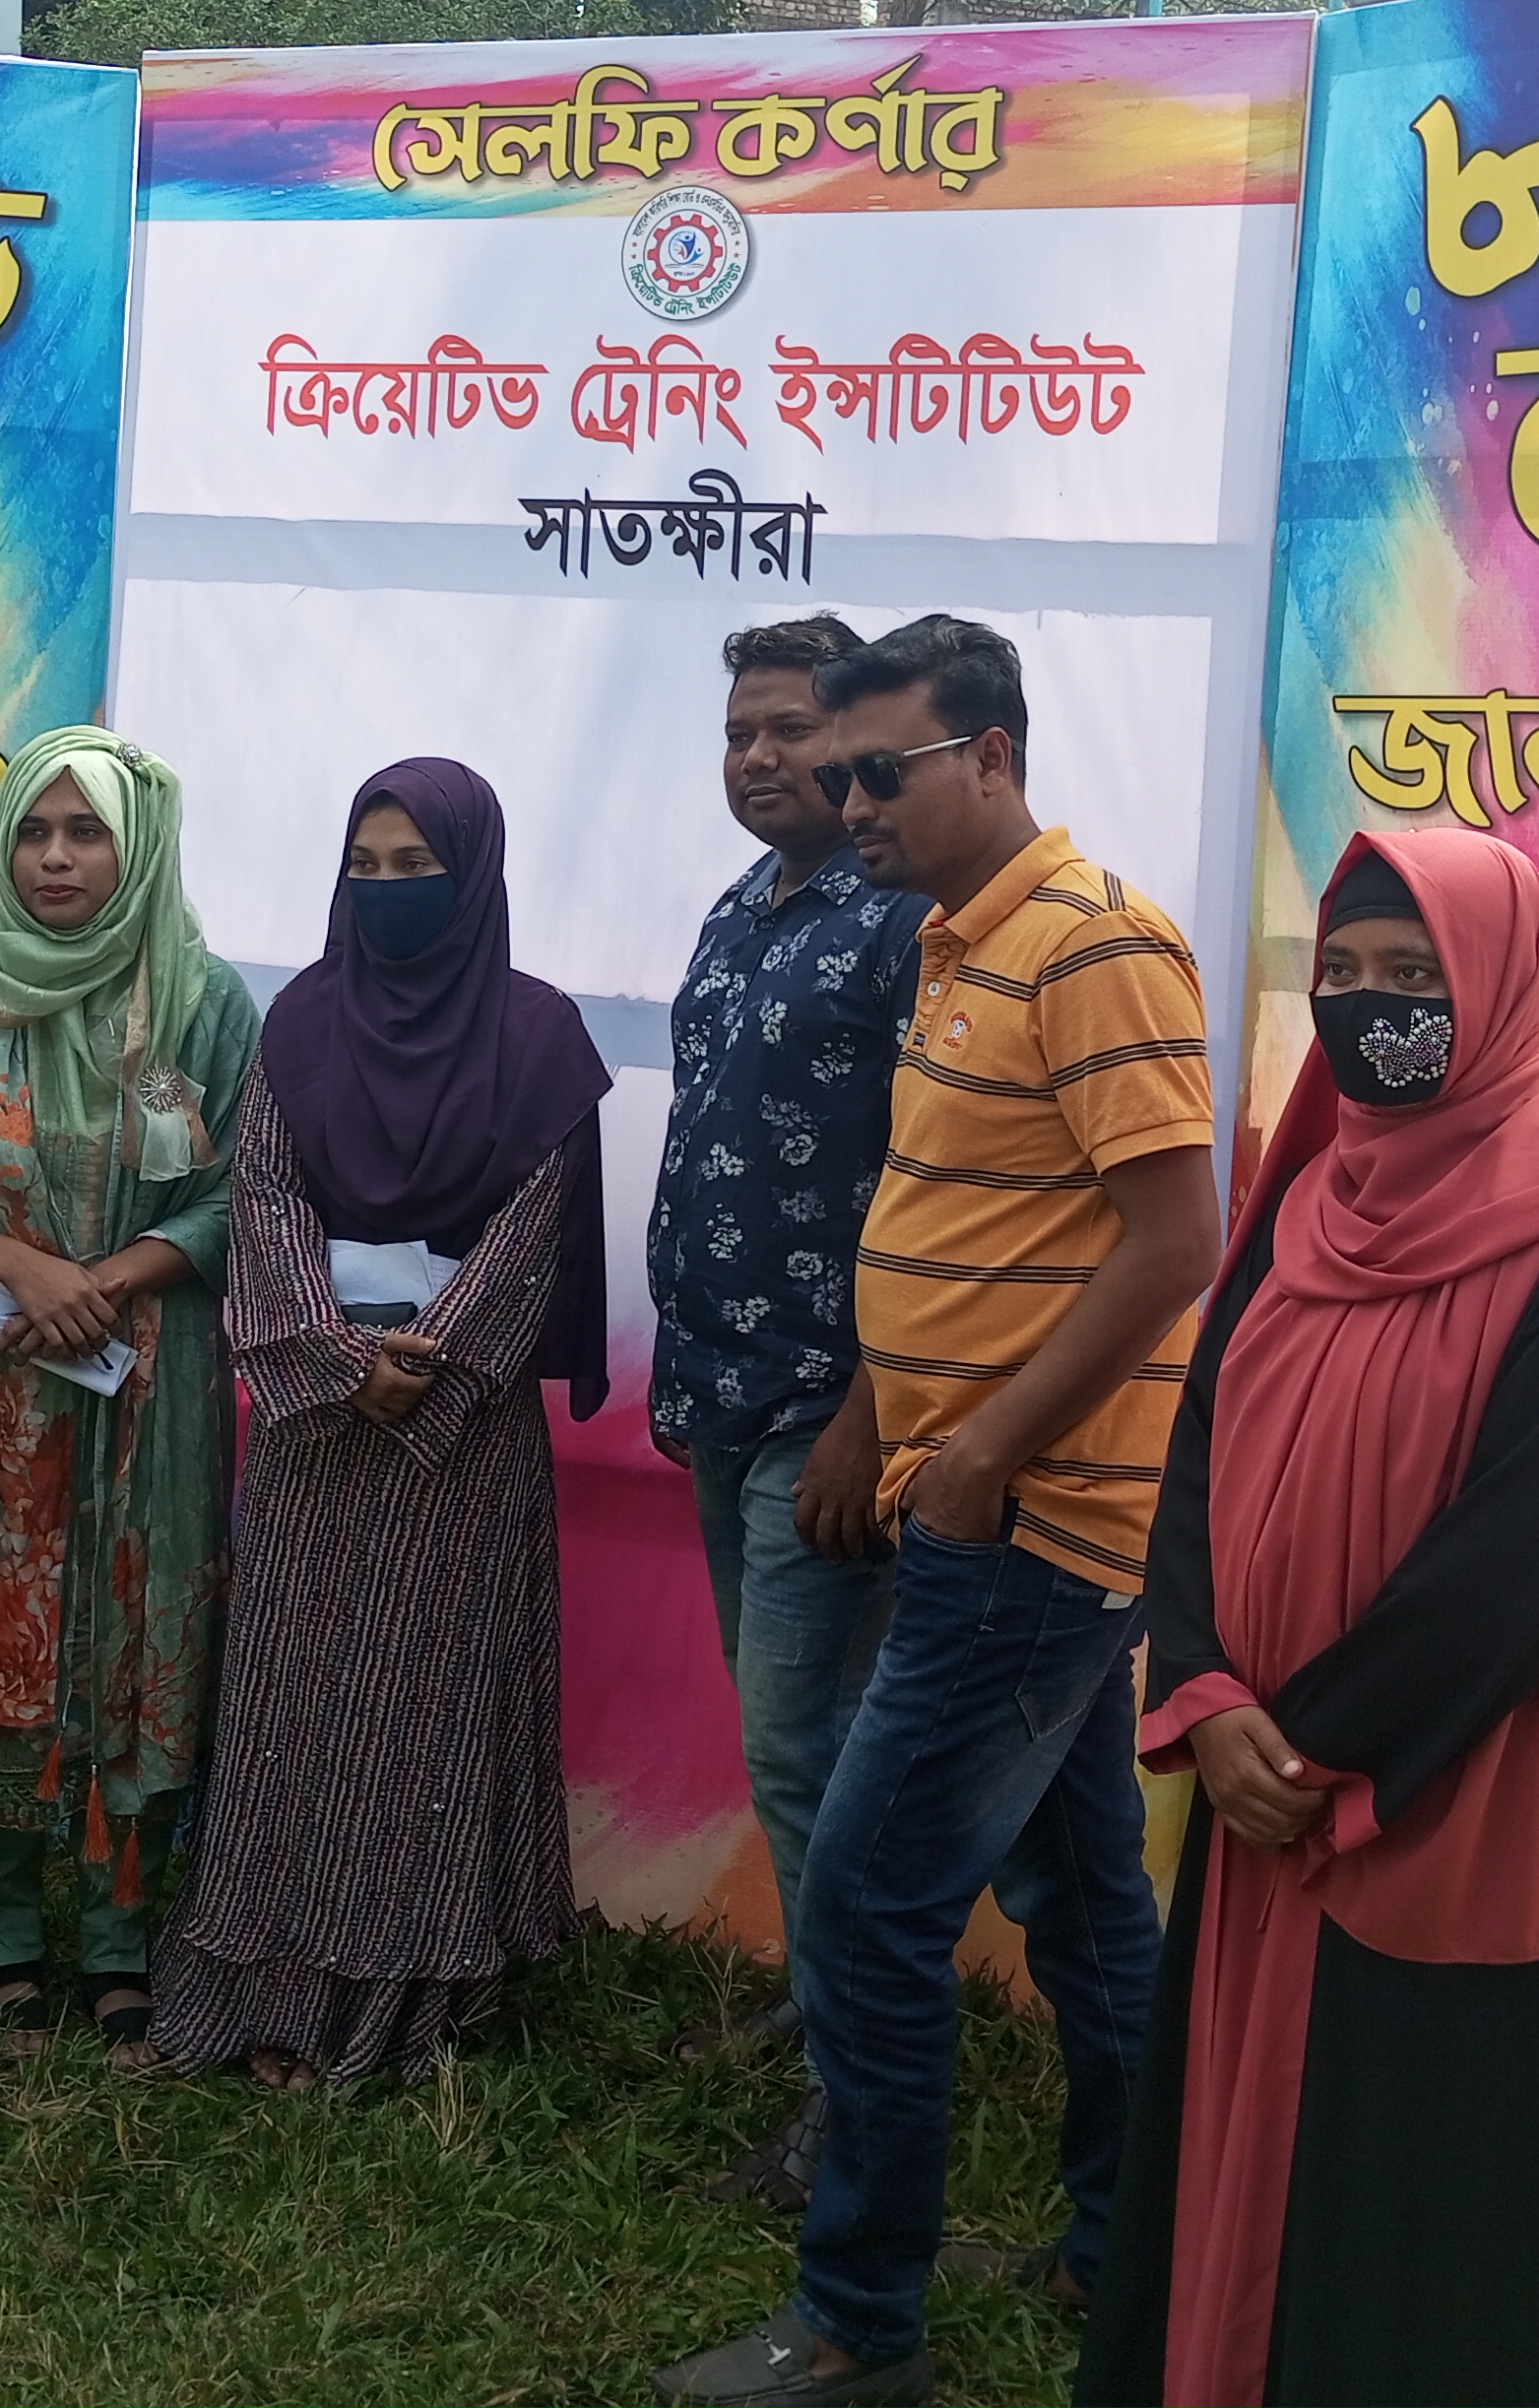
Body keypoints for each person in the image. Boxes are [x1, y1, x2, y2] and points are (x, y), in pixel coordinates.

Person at [664, 615, 1223, 2408]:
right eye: (837, 774)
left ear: (990, 755)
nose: (849, 802)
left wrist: (981, 1452)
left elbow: (1177, 1242)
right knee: (1083, 1900)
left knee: (866, 1909)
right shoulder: (956, 941)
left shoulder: (1099, 944)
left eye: (877, 771)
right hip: (976, 1504)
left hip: (1029, 1525)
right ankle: (1128, 2251)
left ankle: (856, 2327)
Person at [1073, 832, 1539, 2408]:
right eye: (1341, 974)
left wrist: (1312, 1754)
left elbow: (1523, 1570)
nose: (1370, 1009)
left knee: (1413, 2208)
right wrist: (1204, 1690)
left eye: (1415, 976)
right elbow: (1199, 1448)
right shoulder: (1302, 1205)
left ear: (1503, 991)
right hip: (1259, 1778)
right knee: (1240, 2161)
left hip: (1456, 1800)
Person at [150, 758, 611, 2088]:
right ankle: (271, 1987)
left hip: (460, 1445)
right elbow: (263, 1196)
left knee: (428, 1722)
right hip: (317, 1438)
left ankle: (416, 1998)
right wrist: (337, 1360)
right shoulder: (302, 1018)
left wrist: (429, 1366)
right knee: (295, 1718)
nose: (389, 888)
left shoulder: (538, 1037)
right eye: (368, 865)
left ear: (474, 878)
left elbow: (533, 1232)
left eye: (419, 867)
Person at [0, 725, 259, 2063]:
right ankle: (5, 1940)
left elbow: (244, 1185)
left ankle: (116, 1944)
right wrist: (24, 1269)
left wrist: (110, 1277)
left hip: (154, 1378)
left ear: (135, 847)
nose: (55, 859)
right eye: (34, 833)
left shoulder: (202, 1004)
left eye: (86, 832)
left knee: (141, 1637)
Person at [645, 618, 926, 2204]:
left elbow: (937, 1183)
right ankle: (829, 2013)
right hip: (724, 1390)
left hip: (834, 1407)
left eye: (791, 732)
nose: (758, 758)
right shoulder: (742, 906)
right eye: (739, 733)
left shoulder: (903, 924)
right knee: (790, 1746)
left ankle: (859, 2095)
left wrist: (874, 1413)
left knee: (813, 1750)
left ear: (861, 747)